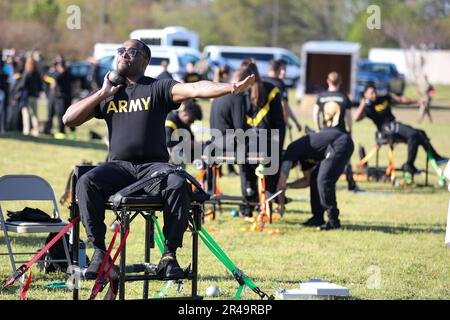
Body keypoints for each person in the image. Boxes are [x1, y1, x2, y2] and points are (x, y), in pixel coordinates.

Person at [63, 39, 254, 279]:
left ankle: (169, 256)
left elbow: (195, 89)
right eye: (121, 51)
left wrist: (231, 87)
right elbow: (68, 119)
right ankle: (100, 254)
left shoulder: (158, 88)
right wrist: (102, 92)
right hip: (119, 168)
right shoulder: (109, 94)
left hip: (154, 169)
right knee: (86, 181)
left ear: (145, 60)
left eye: (131, 52)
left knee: (177, 183)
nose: (124, 55)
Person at [354, 83, 447, 177]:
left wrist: (417, 101)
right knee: (413, 134)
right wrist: (362, 105)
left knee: (420, 133)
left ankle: (435, 158)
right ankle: (409, 165)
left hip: (394, 125)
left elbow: (401, 99)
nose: (374, 94)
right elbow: (356, 118)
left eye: (375, 92)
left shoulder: (383, 98)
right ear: (365, 94)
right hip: (386, 129)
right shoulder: (367, 108)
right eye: (371, 93)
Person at [277, 127, 354, 230]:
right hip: (337, 143)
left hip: (339, 143)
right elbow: (307, 181)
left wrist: (281, 205)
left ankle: (333, 222)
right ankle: (317, 218)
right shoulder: (302, 157)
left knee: (323, 180)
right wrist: (289, 186)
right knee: (315, 179)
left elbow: (281, 183)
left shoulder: (291, 151)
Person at [236, 59, 285, 217]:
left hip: (245, 142)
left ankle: (248, 206)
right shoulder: (271, 89)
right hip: (268, 143)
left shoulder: (238, 91)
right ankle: (266, 204)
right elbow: (279, 122)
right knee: (268, 173)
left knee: (246, 173)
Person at [313, 72, 361, 192]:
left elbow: (315, 114)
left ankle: (319, 181)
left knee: (323, 158)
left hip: (324, 133)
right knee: (345, 159)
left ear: (327, 81)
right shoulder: (344, 97)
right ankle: (351, 183)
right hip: (340, 133)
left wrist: (318, 128)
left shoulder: (321, 96)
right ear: (340, 82)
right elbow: (349, 117)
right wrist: (350, 131)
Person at [265, 59, 302, 135]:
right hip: (275, 125)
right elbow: (283, 105)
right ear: (277, 69)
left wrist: (295, 122)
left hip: (262, 124)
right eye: (282, 69)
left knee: (262, 146)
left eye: (285, 69)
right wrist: (286, 122)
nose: (284, 72)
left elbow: (286, 106)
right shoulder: (279, 84)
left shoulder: (263, 81)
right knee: (275, 147)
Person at [53, 60, 75, 139]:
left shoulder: (58, 75)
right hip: (68, 97)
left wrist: (54, 93)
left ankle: (61, 133)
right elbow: (75, 83)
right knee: (70, 115)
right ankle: (73, 132)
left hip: (60, 98)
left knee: (60, 115)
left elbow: (53, 85)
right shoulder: (69, 74)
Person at [21, 57, 42, 136]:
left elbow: (22, 84)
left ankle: (26, 130)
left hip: (27, 97)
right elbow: (40, 85)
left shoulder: (27, 73)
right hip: (34, 96)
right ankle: (36, 130)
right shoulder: (37, 73)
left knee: (26, 114)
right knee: (34, 114)